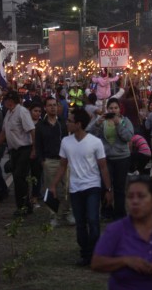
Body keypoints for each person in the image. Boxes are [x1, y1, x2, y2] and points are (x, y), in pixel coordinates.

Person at [91, 176, 152, 289]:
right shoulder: (116, 230)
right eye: (130, 197)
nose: (135, 201)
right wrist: (125, 261)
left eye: (141, 196)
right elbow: (97, 263)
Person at [49, 108, 113, 266]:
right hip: (75, 188)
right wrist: (53, 185)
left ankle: (95, 252)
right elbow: (62, 166)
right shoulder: (66, 142)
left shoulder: (95, 142)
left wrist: (108, 189)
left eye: (70, 121)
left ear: (78, 124)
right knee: (80, 223)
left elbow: (103, 167)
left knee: (92, 219)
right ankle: (86, 253)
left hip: (92, 186)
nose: (67, 123)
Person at [87, 97, 134, 219]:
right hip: (106, 158)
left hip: (122, 157)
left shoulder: (125, 121)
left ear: (119, 109)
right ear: (107, 109)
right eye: (111, 108)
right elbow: (89, 134)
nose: (113, 110)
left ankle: (119, 212)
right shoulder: (101, 121)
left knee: (119, 186)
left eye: (115, 108)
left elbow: (128, 137)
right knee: (105, 185)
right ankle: (106, 210)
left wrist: (118, 124)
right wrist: (97, 124)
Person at [0, 91, 36, 216]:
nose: (9, 103)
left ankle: (22, 206)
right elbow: (3, 133)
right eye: (7, 101)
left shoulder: (21, 111)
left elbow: (32, 130)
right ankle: (25, 205)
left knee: (18, 177)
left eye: (11, 101)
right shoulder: (8, 114)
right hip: (14, 150)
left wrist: (34, 149)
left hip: (24, 149)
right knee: (19, 178)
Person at [36, 96, 71, 227]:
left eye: (54, 105)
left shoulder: (63, 123)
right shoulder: (41, 125)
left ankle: (67, 212)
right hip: (49, 161)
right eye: (50, 105)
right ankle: (53, 215)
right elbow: (38, 145)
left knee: (68, 187)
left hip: (64, 161)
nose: (53, 107)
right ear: (45, 108)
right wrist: (42, 161)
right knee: (51, 189)